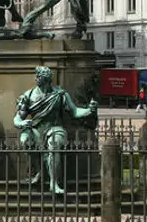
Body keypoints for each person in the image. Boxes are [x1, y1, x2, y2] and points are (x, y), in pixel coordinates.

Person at [14, 66, 99, 195]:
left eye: (39, 77)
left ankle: (54, 183)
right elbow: (18, 117)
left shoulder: (60, 94)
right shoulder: (28, 95)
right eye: (36, 76)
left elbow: (75, 111)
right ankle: (39, 171)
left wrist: (89, 110)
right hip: (35, 128)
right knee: (25, 139)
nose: (36, 79)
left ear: (47, 79)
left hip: (54, 127)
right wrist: (21, 123)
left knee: (55, 143)